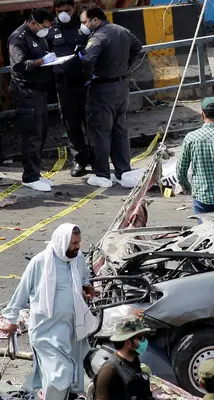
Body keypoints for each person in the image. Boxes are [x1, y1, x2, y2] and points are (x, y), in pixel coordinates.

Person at [0, 223, 97, 399]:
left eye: (78, 242)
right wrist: (11, 319)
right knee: (60, 374)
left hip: (72, 329)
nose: (77, 247)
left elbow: (84, 278)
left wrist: (87, 287)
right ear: (62, 242)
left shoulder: (78, 258)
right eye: (74, 243)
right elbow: (21, 292)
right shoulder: (40, 262)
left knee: (69, 376)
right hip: (46, 331)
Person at [78, 3, 143, 188]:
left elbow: (89, 59)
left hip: (102, 89)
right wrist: (125, 68)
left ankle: (102, 174)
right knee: (119, 130)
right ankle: (123, 171)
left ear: (95, 20)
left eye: (85, 22)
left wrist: (88, 76)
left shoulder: (97, 38)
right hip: (121, 86)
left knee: (100, 132)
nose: (83, 26)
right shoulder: (122, 30)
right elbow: (138, 48)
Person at [7, 8, 57, 192]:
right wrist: (41, 62)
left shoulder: (38, 35)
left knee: (41, 132)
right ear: (34, 22)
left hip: (39, 92)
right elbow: (18, 65)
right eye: (44, 26)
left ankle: (36, 172)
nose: (46, 30)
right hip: (26, 92)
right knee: (31, 135)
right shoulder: (18, 38)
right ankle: (30, 176)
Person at [49, 0, 92, 177]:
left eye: (66, 10)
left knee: (92, 122)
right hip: (64, 85)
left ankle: (98, 158)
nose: (63, 14)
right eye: (59, 11)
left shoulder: (83, 24)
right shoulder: (51, 29)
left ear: (73, 8)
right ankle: (79, 160)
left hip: (85, 82)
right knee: (71, 124)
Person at [93, 317, 154, 400]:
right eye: (140, 338)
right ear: (128, 343)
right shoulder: (108, 371)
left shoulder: (134, 360)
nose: (144, 341)